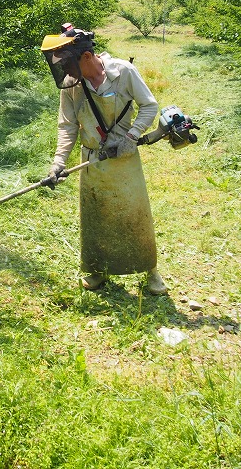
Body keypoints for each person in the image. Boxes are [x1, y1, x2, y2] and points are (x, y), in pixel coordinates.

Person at [41, 24, 168, 294]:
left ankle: (150, 271)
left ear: (86, 57)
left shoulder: (123, 72)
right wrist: (58, 163)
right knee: (96, 219)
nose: (67, 72)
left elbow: (149, 106)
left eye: (70, 65)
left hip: (124, 160)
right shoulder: (72, 85)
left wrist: (131, 137)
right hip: (93, 161)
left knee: (135, 216)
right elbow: (67, 126)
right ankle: (97, 270)